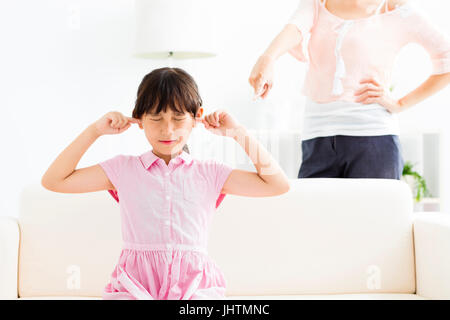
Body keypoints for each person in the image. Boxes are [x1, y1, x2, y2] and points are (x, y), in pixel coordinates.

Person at [41, 67, 290, 300]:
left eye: (178, 118)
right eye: (156, 118)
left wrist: (238, 133)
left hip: (195, 288)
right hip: (134, 286)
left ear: (196, 118)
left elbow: (276, 184)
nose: (167, 130)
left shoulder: (209, 173)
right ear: (139, 120)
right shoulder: (123, 170)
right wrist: (95, 130)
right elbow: (55, 180)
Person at [249, 0, 450, 179]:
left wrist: (400, 104)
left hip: (374, 139)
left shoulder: (395, 9)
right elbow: (294, 28)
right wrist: (268, 58)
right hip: (317, 138)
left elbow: (446, 60)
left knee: (374, 220)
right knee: (315, 218)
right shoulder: (317, 4)